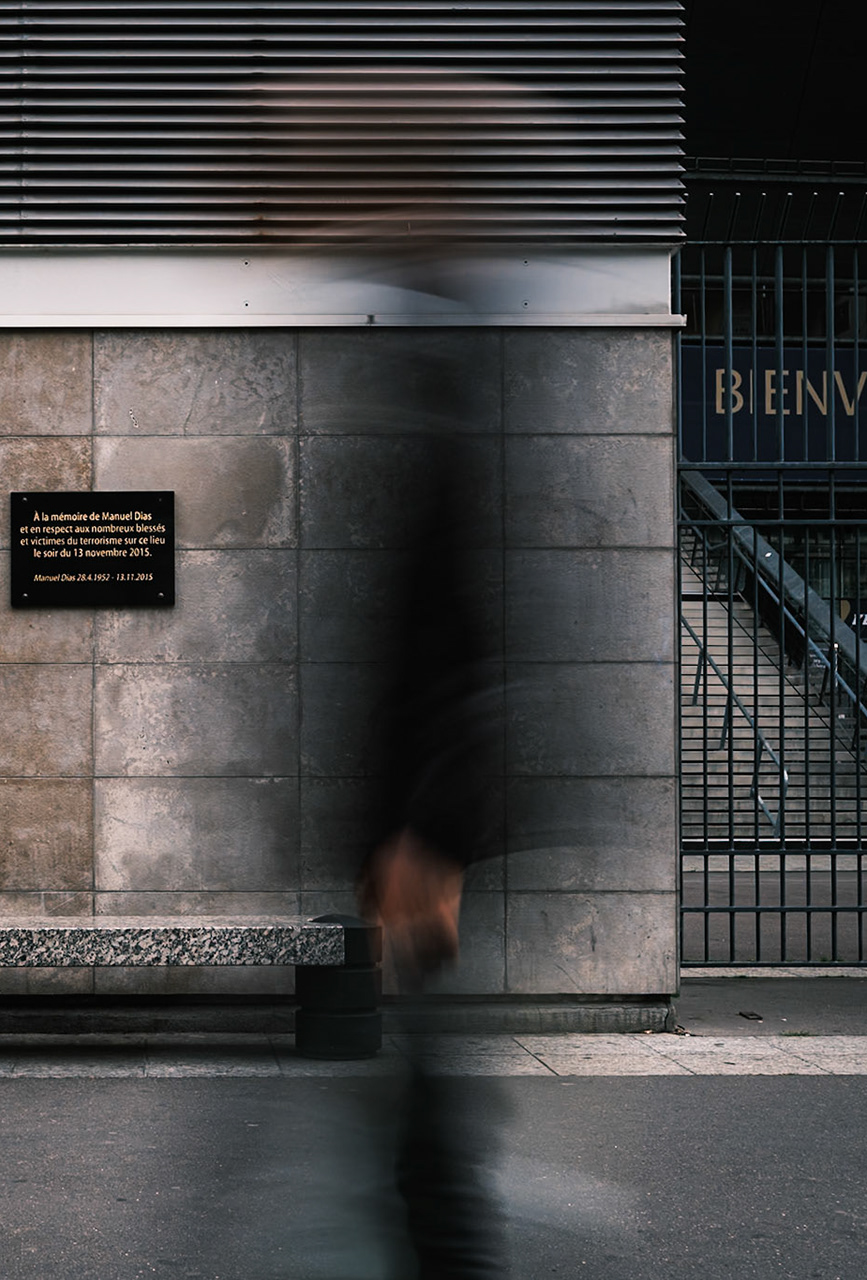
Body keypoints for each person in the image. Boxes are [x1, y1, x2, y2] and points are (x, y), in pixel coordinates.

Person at [358, 429, 507, 1280]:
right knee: (421, 1138)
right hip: (416, 838)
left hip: (422, 840)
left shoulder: (442, 420)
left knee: (425, 1150)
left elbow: (451, 675)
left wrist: (427, 837)